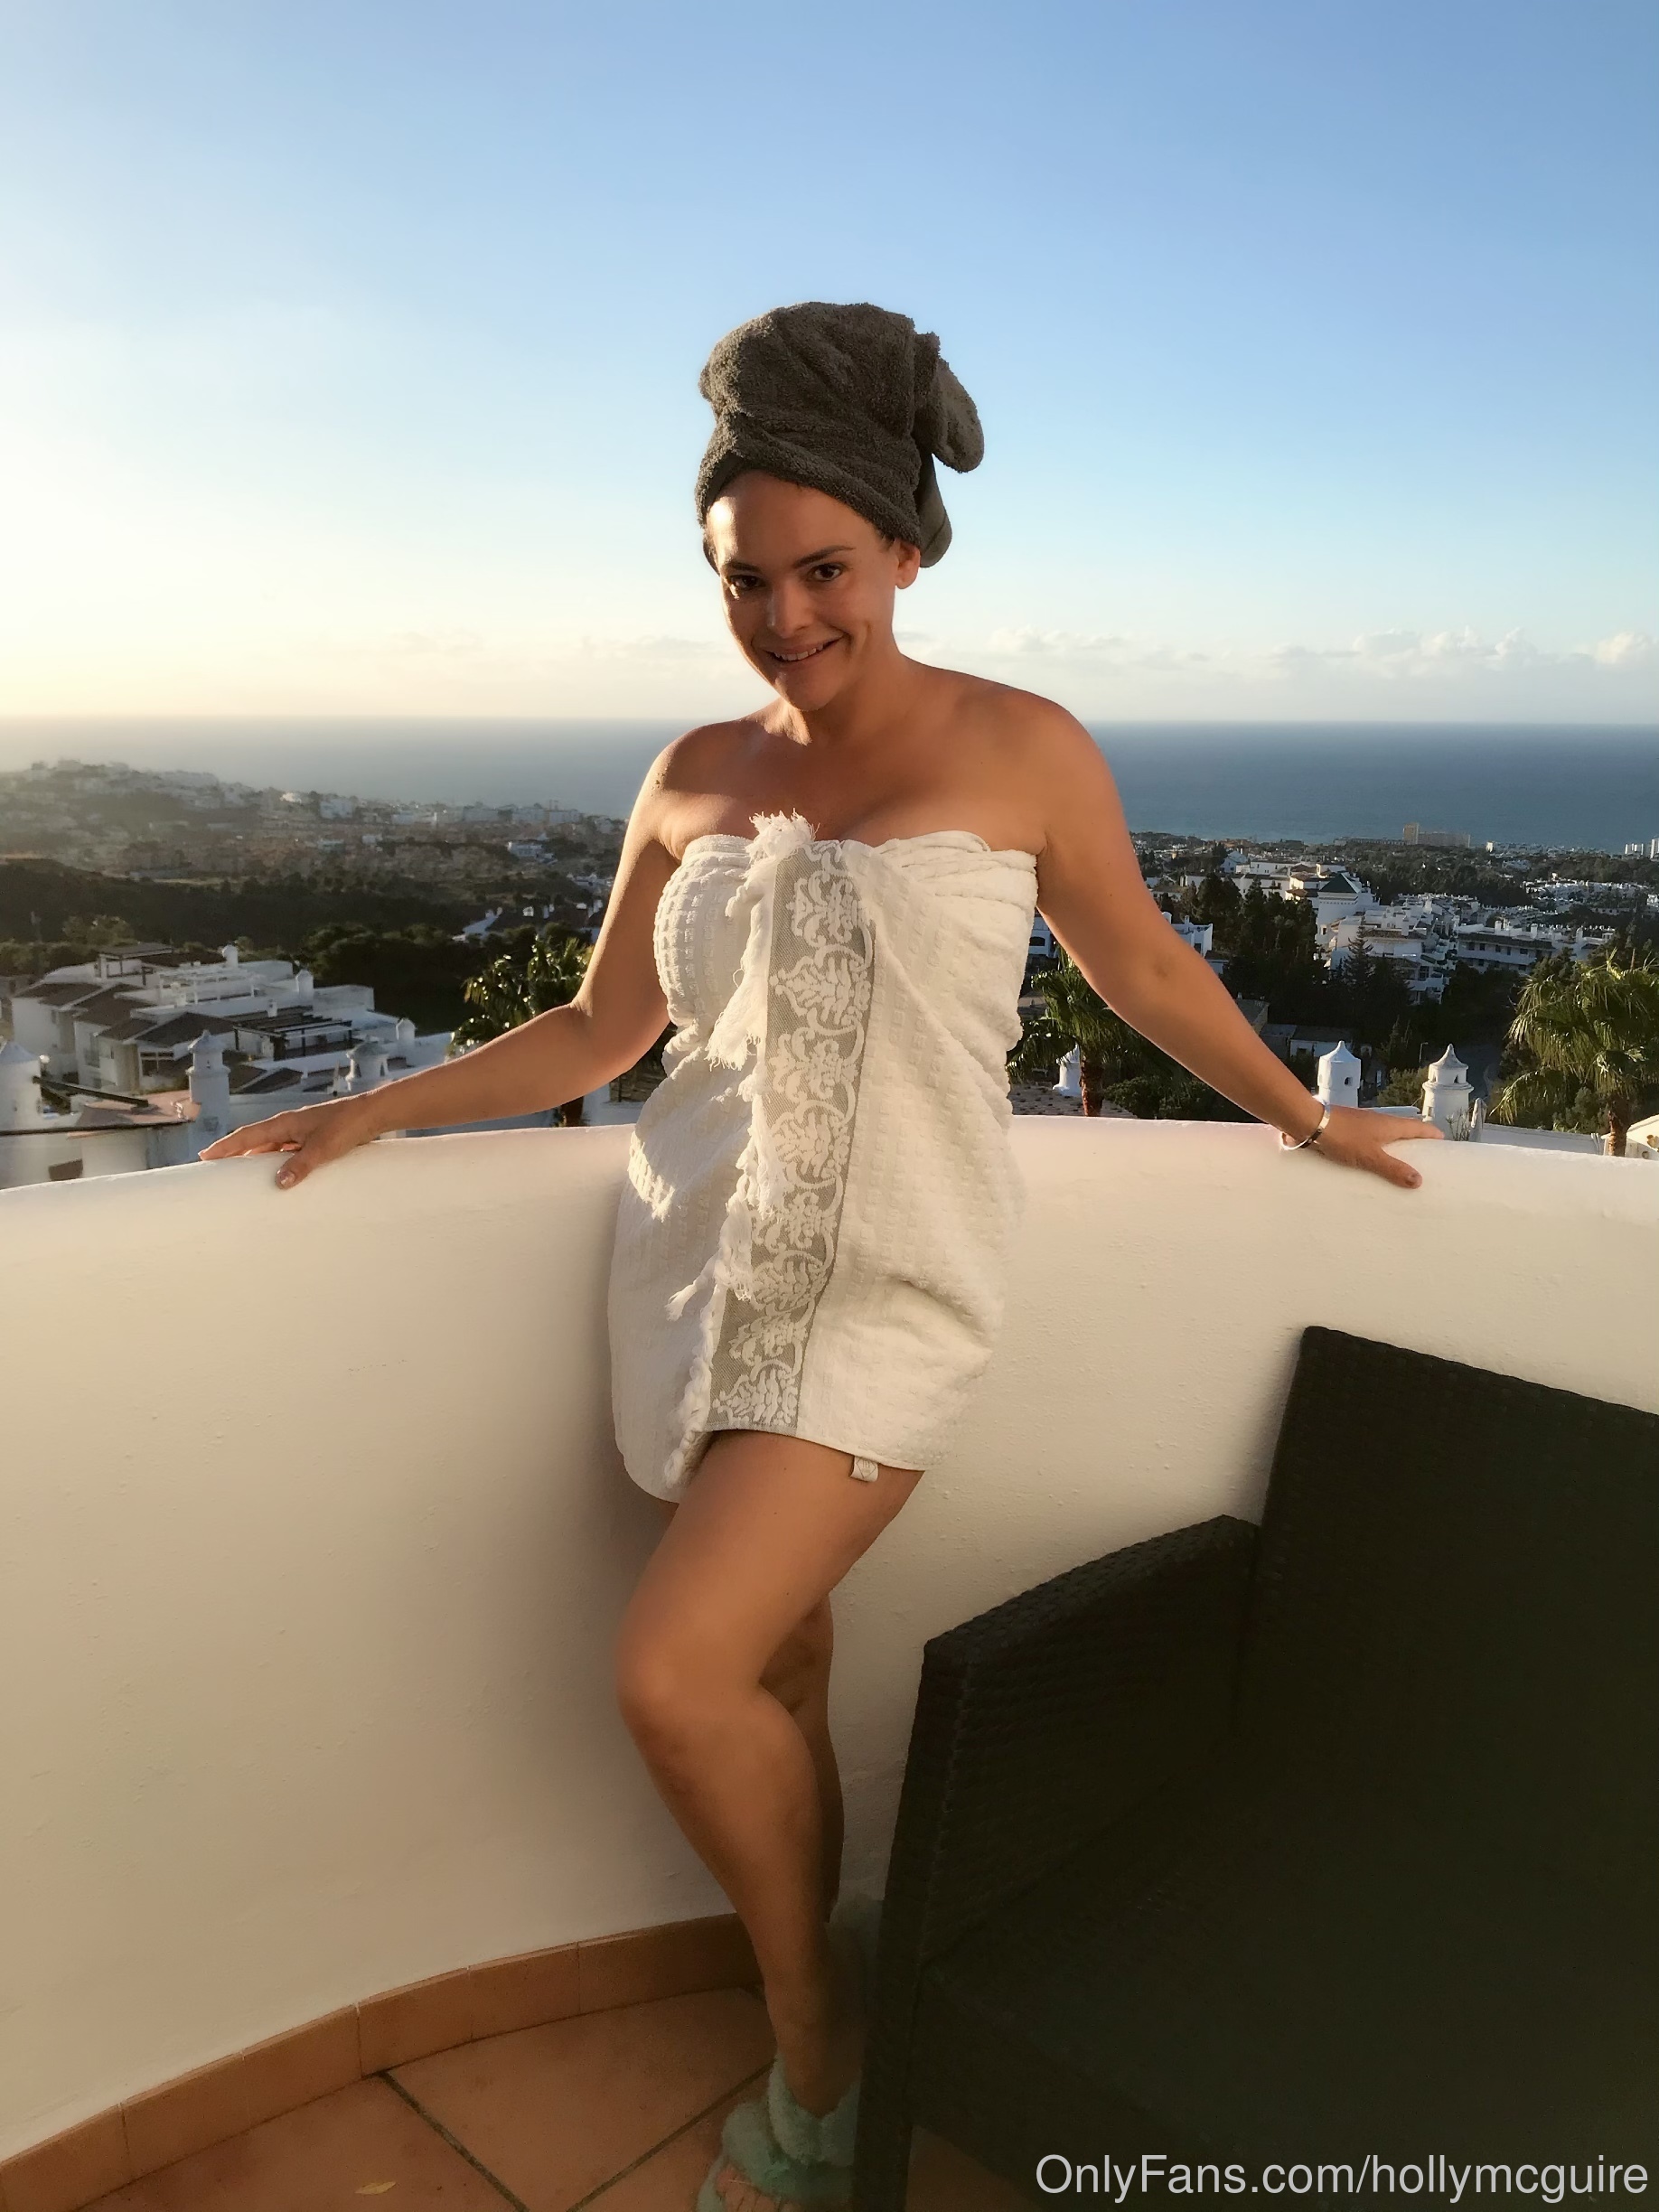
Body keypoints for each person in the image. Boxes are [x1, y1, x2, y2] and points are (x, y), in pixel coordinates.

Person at [202, 300, 1442, 2211]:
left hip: (891, 1292)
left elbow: (1143, 966)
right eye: (744, 578)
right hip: (695, 1276)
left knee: (672, 1670)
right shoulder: (692, 770)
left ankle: (823, 2049)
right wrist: (383, 1104)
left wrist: (1306, 1112)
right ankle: (843, 1973)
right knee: (772, 1674)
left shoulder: (1025, 747)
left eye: (825, 570)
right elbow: (604, 1031)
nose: (785, 617)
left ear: (908, 552)